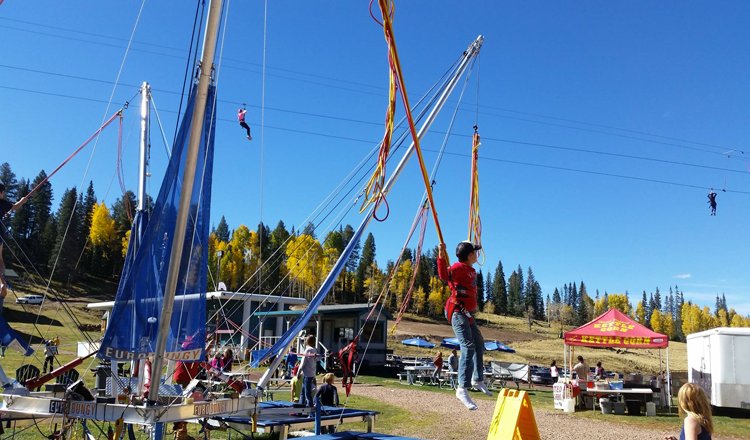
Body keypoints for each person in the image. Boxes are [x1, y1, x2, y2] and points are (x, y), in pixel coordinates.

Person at [437, 240, 491, 411]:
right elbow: (444, 276)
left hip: (467, 314)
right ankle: (462, 388)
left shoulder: (471, 270)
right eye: (474, 252)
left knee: (479, 343)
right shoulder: (458, 268)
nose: (477, 254)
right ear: (469, 256)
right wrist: (440, 255)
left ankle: (477, 379)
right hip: (457, 312)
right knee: (468, 346)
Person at [0, 183, 26, 315]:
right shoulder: (2, 203)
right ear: (2, 192)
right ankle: (2, 281)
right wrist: (23, 200)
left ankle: (2, 282)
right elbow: (15, 207)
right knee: (0, 259)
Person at [298, 334, 318, 407]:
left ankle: (310, 407)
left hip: (307, 374)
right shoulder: (314, 349)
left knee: (307, 392)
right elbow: (317, 359)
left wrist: (298, 373)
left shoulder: (308, 350)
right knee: (303, 391)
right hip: (311, 373)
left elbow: (302, 363)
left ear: (307, 341)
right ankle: (301, 404)